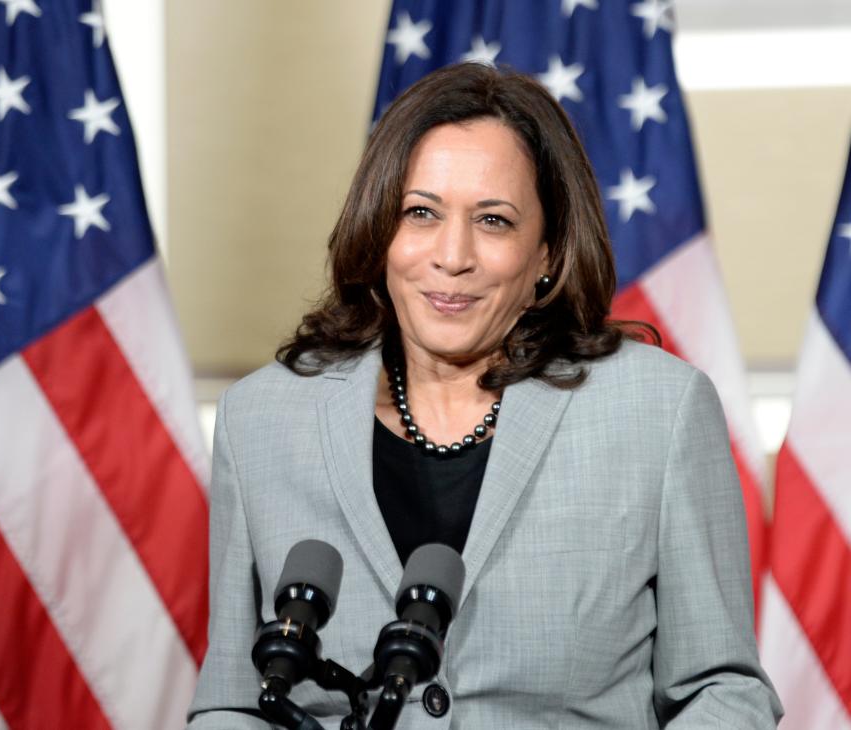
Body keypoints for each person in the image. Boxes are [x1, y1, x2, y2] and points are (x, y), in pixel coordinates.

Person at [187, 63, 782, 728]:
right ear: (379, 231)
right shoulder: (262, 420)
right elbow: (233, 704)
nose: (451, 255)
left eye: (493, 221)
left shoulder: (658, 412)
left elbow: (721, 690)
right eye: (420, 213)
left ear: (547, 251)